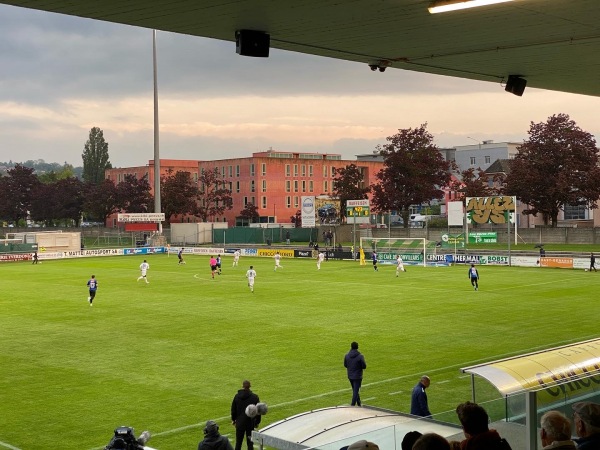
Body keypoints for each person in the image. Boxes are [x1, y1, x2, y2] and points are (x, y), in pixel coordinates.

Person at [231, 380, 260, 450]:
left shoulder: (237, 396)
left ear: (242, 386)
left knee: (238, 443)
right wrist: (257, 422)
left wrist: (234, 420)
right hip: (250, 423)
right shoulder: (255, 397)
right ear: (250, 386)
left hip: (240, 423)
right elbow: (258, 411)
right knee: (250, 443)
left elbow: (233, 410)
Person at [344, 341, 366, 406]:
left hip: (350, 375)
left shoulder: (347, 356)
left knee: (355, 390)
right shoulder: (360, 356)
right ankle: (352, 405)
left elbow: (345, 365)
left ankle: (359, 403)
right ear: (357, 347)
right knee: (356, 391)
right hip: (357, 376)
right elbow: (364, 366)